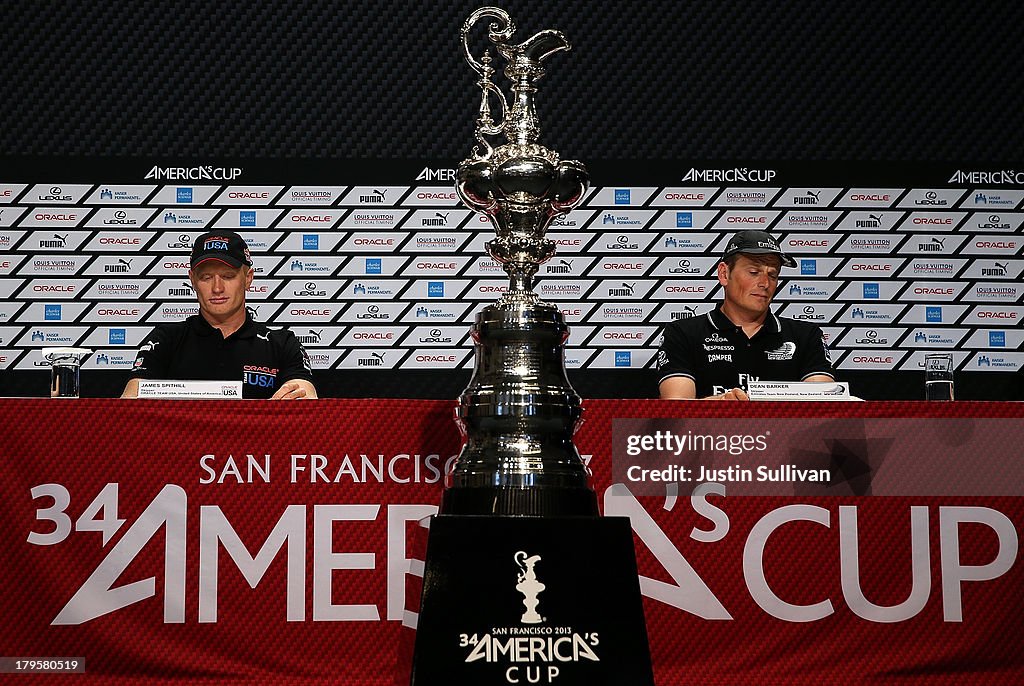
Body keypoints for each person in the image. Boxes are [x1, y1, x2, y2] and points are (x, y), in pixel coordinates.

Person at [121, 231, 317, 399]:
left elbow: (306, 405)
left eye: (228, 276)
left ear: (248, 279)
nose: (217, 288)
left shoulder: (282, 344)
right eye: (206, 277)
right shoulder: (165, 340)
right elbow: (128, 408)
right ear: (192, 280)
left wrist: (288, 408)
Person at [657, 230, 835, 401]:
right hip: (711, 433)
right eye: (754, 272)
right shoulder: (682, 333)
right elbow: (676, 408)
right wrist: (722, 405)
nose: (765, 283)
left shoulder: (807, 336)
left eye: (772, 275)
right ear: (724, 274)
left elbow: (823, 405)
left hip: (784, 433)